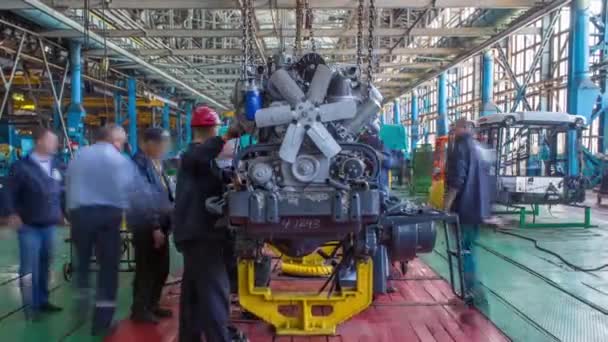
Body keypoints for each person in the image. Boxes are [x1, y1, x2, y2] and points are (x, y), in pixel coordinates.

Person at [66, 124, 168, 336]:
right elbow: (137, 191)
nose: (122, 146)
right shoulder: (117, 159)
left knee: (82, 264)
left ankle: (81, 298)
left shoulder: (79, 156)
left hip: (79, 216)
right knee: (108, 271)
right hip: (106, 217)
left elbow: (68, 185)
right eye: (121, 142)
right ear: (114, 141)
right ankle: (101, 322)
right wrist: (161, 211)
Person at [173, 105, 244, 342]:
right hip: (201, 234)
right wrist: (225, 137)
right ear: (211, 129)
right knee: (215, 291)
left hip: (195, 234)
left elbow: (213, 174)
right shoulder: (192, 154)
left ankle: (189, 337)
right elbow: (200, 158)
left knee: (193, 293)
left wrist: (233, 180)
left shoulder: (203, 160)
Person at [5, 127, 63, 320]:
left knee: (46, 263)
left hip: (49, 224)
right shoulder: (21, 167)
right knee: (29, 268)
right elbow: (8, 192)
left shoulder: (56, 164)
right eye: (51, 141)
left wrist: (64, 212)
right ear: (39, 141)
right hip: (29, 225)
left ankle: (42, 300)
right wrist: (11, 213)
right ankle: (30, 308)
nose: (55, 145)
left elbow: (61, 190)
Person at [444, 118, 492, 307]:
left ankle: (469, 293)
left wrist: (445, 207)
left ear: (464, 128)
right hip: (478, 208)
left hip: (464, 208)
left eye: (455, 126)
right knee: (469, 250)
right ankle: (471, 291)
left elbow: (457, 180)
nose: (453, 130)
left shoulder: (460, 146)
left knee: (464, 252)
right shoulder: (479, 148)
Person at [129, 128, 174, 324]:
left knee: (161, 268)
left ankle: (152, 304)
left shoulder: (156, 162)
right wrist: (155, 226)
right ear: (149, 143)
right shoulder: (138, 164)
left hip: (161, 223)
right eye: (161, 145)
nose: (164, 149)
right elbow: (142, 198)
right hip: (146, 225)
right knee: (146, 269)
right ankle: (140, 310)